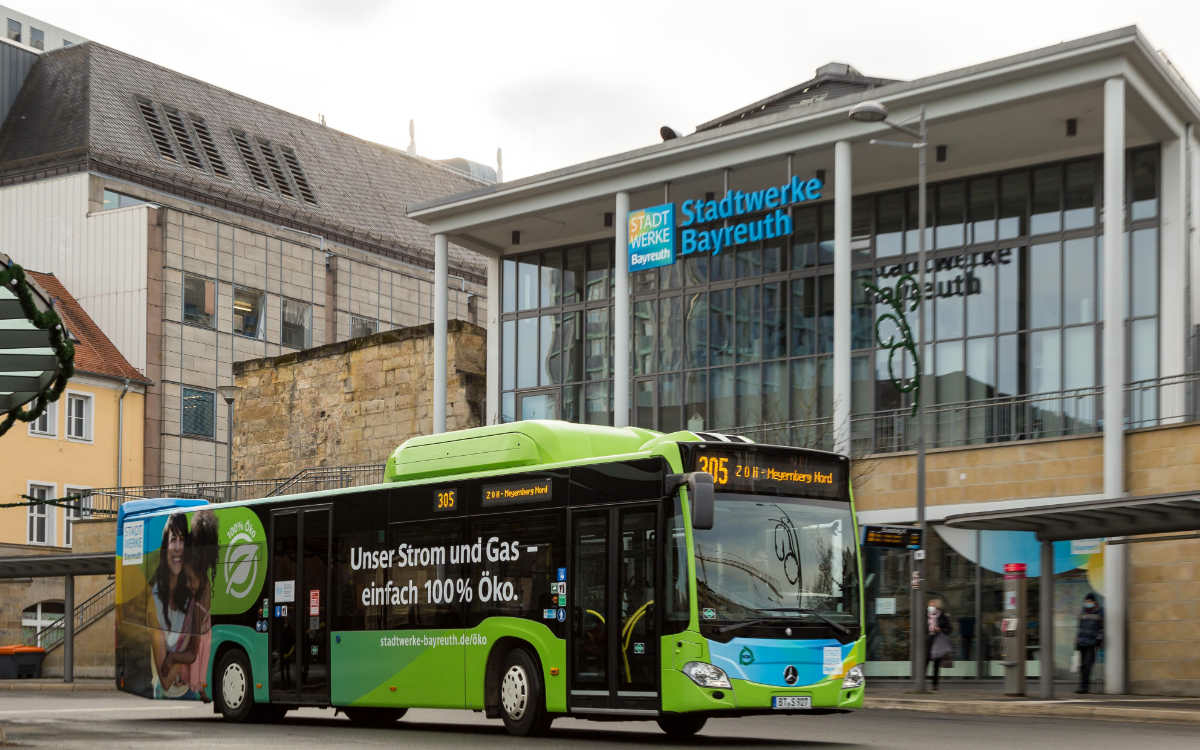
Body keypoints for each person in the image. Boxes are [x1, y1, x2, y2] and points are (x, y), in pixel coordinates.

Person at [148, 513, 193, 697]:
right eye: (173, 540)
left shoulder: (190, 594)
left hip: (190, 690)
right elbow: (165, 680)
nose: (178, 548)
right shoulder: (154, 597)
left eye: (182, 540)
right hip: (163, 691)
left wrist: (174, 658)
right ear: (165, 546)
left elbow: (194, 650)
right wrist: (184, 659)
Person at [1075, 592, 1104, 694]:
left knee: (1088, 665)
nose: (1088, 603)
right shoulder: (1082, 612)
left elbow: (1102, 627)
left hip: (1092, 643)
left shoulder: (1099, 612)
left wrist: (1099, 639)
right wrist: (1077, 641)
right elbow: (1079, 628)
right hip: (1082, 642)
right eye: (1086, 601)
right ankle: (1082, 687)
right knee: (1082, 666)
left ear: (1094, 602)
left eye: (1089, 601)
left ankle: (1085, 687)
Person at [926, 597, 953, 690]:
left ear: (937, 607)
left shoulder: (943, 616)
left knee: (936, 664)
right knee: (925, 661)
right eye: (929, 605)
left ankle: (935, 685)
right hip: (928, 641)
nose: (930, 607)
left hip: (938, 642)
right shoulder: (926, 615)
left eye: (932, 605)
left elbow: (949, 629)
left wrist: (940, 629)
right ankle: (921, 682)